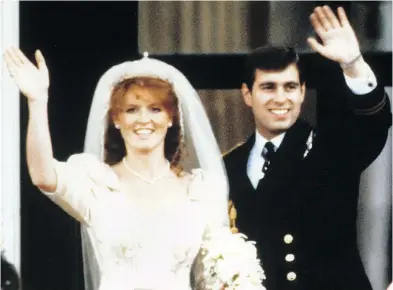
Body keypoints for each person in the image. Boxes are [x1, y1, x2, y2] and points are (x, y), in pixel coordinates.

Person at [4, 49, 265, 290]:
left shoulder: (200, 190)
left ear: (171, 117)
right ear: (116, 119)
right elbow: (43, 175)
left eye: (155, 109)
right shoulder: (97, 183)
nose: (143, 120)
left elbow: (213, 270)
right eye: (131, 110)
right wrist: (37, 102)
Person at [224, 5, 391, 290]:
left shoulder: (330, 150)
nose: (281, 98)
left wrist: (352, 64)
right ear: (247, 94)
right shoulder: (229, 165)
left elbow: (371, 125)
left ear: (302, 93)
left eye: (290, 87)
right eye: (268, 87)